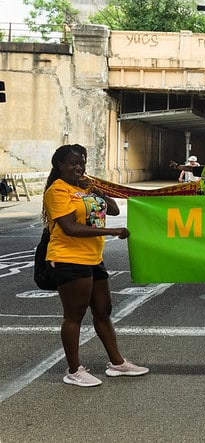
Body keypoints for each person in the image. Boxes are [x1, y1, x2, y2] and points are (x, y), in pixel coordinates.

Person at [43, 144, 149, 387]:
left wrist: (96, 191)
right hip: (69, 258)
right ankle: (73, 370)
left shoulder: (85, 187)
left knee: (103, 310)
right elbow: (70, 227)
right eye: (72, 163)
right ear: (59, 165)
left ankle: (117, 363)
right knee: (74, 315)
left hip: (93, 258)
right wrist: (112, 231)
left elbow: (112, 209)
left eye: (82, 162)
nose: (78, 167)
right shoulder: (57, 191)